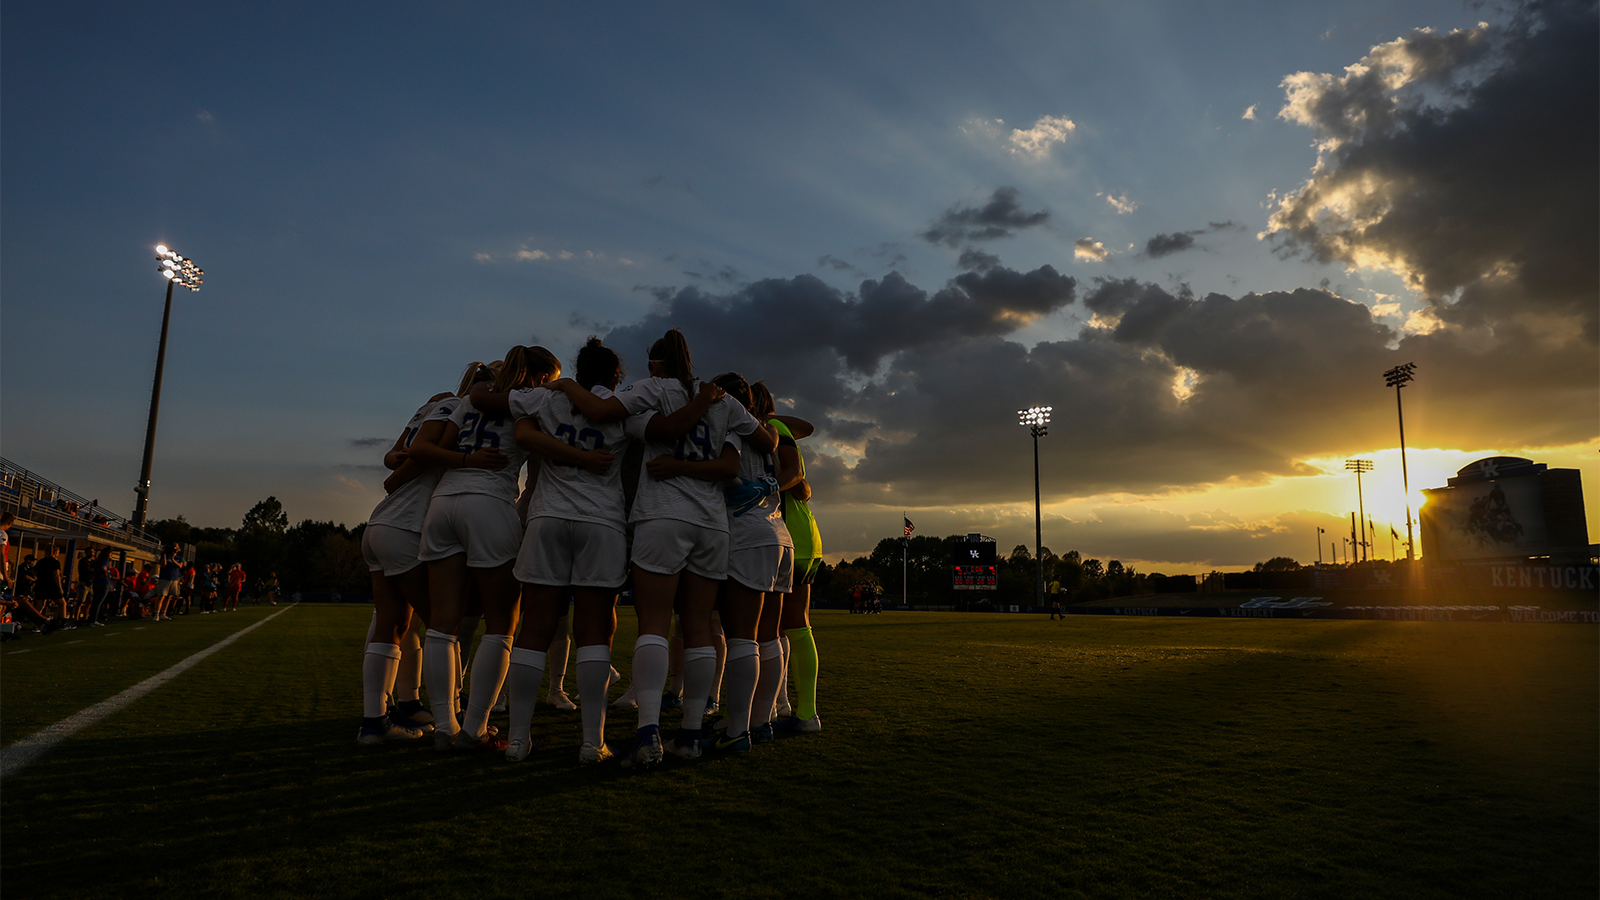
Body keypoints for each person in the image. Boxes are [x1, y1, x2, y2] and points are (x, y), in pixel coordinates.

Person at [545, 328, 776, 768]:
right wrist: (727, 412)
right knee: (699, 629)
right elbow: (769, 442)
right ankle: (690, 733)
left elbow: (618, 415)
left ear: (655, 365)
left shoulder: (648, 391)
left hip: (662, 515)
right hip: (712, 523)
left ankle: (648, 731)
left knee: (653, 623)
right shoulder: (723, 401)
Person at [409, 345, 560, 752]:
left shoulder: (469, 401)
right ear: (541, 377)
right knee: (502, 623)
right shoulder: (533, 403)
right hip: (490, 504)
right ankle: (475, 727)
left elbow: (433, 447)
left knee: (442, 624)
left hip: (443, 505)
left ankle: (445, 726)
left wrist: (464, 461)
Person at [356, 366, 493, 745]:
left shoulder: (435, 404)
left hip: (382, 522)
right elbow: (415, 454)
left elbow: (394, 456)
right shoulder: (457, 410)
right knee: (442, 628)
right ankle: (456, 718)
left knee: (394, 624)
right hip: (407, 527)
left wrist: (398, 473)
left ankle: (375, 722)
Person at [702, 375, 799, 754]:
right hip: (779, 535)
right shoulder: (768, 433)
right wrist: (770, 486)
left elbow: (725, 471)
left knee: (742, 637)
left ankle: (736, 731)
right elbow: (795, 472)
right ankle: (760, 722)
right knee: (769, 637)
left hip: (746, 535)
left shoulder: (732, 430)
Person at [33, 545, 67, 629]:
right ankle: (63, 622)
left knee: (39, 605)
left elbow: (33, 571)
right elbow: (56, 575)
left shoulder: (41, 561)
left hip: (41, 585)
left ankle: (36, 625)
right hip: (52, 586)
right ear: (55, 552)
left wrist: (39, 577)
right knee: (62, 603)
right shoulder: (55, 562)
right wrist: (60, 587)